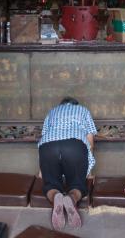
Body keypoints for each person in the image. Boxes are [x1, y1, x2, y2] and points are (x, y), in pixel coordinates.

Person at [38, 97, 97, 230]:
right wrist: (89, 171)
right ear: (75, 104)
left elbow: (44, 136)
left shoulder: (52, 111)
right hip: (74, 144)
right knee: (77, 183)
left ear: (61, 105)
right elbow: (90, 140)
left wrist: (41, 170)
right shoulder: (83, 110)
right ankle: (72, 198)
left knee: (51, 184)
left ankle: (56, 196)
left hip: (48, 146)